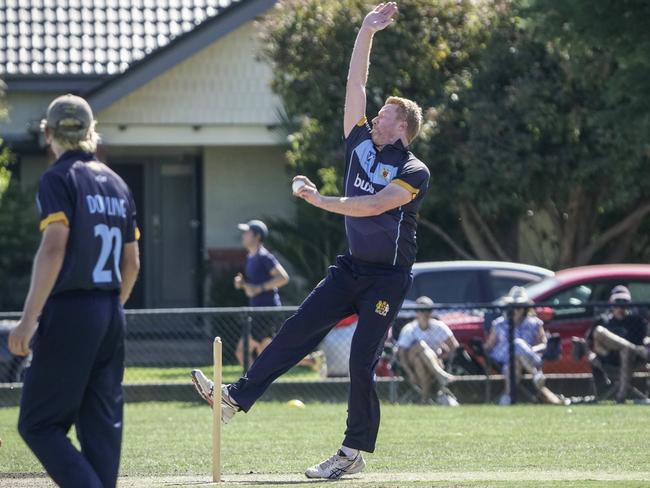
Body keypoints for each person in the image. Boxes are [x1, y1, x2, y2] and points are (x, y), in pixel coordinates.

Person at [192, 2, 429, 479]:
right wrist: (366, 30)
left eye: (384, 112)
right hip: (351, 268)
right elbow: (354, 85)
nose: (374, 112)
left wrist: (319, 200)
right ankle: (236, 397)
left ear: (401, 125)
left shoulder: (413, 170)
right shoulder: (361, 143)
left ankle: (352, 452)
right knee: (298, 329)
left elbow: (373, 206)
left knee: (361, 362)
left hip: (387, 278)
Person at [8, 94, 140, 487]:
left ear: (48, 133)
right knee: (101, 430)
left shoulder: (58, 178)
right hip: (110, 311)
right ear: (91, 131)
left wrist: (27, 322)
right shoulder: (117, 183)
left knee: (38, 423)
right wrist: (110, 309)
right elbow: (132, 264)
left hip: (71, 311)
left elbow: (54, 246)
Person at [575, 285, 649, 403]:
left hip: (631, 359)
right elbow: (587, 342)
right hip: (607, 357)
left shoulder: (637, 321)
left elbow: (645, 339)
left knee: (626, 351)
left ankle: (621, 397)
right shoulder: (603, 320)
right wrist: (590, 354)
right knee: (599, 331)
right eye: (617, 302)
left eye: (624, 302)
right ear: (611, 303)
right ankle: (633, 348)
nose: (620, 307)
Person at [233, 219, 290, 366]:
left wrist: (260, 288)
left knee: (243, 351)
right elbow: (252, 292)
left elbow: (283, 278)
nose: (244, 235)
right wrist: (243, 285)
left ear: (257, 236)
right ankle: (312, 361)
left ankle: (250, 385)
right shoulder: (250, 258)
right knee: (265, 355)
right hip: (258, 310)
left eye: (247, 232)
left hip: (266, 311)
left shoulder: (264, 257)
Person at [485, 286, 548, 405]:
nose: (516, 310)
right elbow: (489, 346)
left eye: (519, 307)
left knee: (516, 354)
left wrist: (528, 349)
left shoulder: (535, 323)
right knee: (516, 344)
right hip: (503, 356)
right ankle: (536, 375)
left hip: (528, 357)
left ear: (525, 308)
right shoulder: (499, 323)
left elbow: (543, 344)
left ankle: (507, 397)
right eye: (513, 306)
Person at [396, 296, 459, 404]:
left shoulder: (439, 326)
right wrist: (410, 374)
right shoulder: (409, 329)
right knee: (421, 346)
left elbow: (454, 346)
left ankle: (424, 400)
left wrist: (445, 359)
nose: (425, 313)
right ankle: (440, 375)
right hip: (411, 364)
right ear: (416, 312)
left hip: (432, 362)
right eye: (422, 310)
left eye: (428, 310)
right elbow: (401, 354)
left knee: (419, 361)